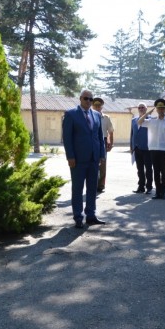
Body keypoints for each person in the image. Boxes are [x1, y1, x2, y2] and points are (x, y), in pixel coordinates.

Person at [62, 88, 106, 228]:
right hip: (78, 159)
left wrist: (101, 154)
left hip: (94, 158)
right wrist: (70, 156)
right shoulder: (71, 114)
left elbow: (99, 137)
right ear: (80, 99)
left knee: (92, 188)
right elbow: (67, 138)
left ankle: (91, 215)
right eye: (86, 98)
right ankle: (78, 217)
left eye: (91, 99)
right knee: (78, 188)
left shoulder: (97, 115)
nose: (88, 101)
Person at [138, 99, 165, 200]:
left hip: (164, 149)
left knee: (163, 171)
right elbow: (139, 122)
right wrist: (147, 113)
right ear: (157, 110)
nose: (161, 110)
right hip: (153, 149)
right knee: (156, 171)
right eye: (159, 108)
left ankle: (163, 193)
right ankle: (157, 192)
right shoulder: (151, 120)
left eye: (162, 108)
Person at [92, 97, 115, 193]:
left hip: (103, 141)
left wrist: (111, 143)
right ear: (93, 106)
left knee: (103, 163)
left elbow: (111, 131)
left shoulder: (106, 118)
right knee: (92, 163)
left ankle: (101, 185)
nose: (97, 107)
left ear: (102, 107)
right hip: (92, 141)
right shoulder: (89, 116)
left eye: (99, 106)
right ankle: (92, 184)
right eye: (95, 105)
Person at [130, 102, 153, 195]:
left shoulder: (151, 119)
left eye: (143, 107)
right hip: (137, 147)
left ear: (146, 109)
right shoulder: (134, 120)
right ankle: (141, 186)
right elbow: (132, 134)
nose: (141, 109)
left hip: (147, 148)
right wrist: (131, 146)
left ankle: (149, 187)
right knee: (139, 169)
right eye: (139, 107)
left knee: (148, 168)